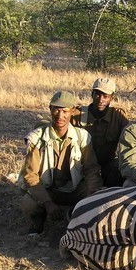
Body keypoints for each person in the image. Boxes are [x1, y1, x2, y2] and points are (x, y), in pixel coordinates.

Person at [19, 91, 104, 234]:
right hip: (50, 189)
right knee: (29, 204)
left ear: (72, 111)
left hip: (76, 189)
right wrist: (48, 203)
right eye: (56, 110)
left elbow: (91, 169)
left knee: (100, 197)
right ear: (50, 109)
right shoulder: (37, 138)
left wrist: (92, 196)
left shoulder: (82, 136)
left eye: (65, 111)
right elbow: (30, 176)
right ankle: (38, 225)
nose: (60, 115)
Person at [72, 77, 129, 187]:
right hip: (82, 166)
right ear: (92, 94)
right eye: (97, 94)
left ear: (112, 98)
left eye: (106, 96)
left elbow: (131, 137)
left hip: (108, 166)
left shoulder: (118, 117)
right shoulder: (77, 115)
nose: (101, 99)